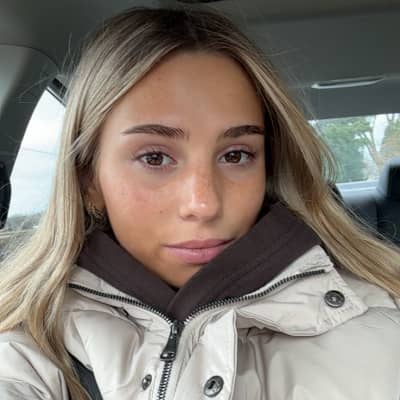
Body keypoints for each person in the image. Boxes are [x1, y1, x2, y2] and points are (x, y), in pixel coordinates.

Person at [0, 6, 400, 400]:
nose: (203, 204)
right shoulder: (24, 349)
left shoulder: (384, 324)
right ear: (89, 179)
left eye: (236, 155)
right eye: (154, 157)